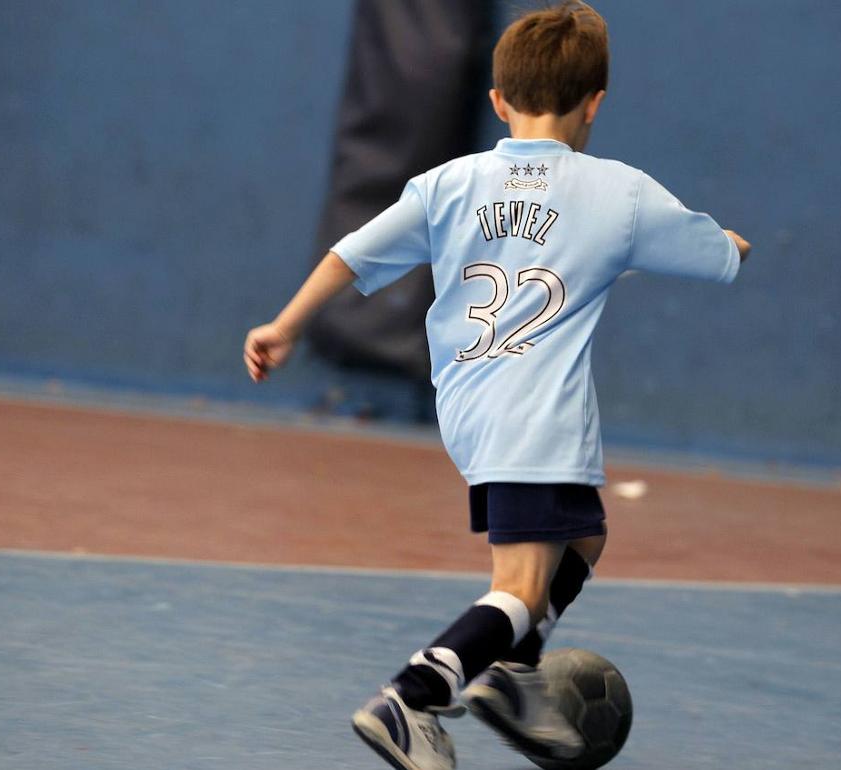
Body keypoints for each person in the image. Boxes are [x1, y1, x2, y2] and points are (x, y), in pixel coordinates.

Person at [243, 3, 751, 768]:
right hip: (539, 415)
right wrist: (733, 247)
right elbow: (723, 256)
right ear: (596, 103)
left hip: (472, 408)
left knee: (585, 535)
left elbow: (350, 254)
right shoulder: (621, 194)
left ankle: (511, 670)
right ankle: (409, 698)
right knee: (518, 586)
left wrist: (284, 326)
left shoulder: (449, 182)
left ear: (498, 102)